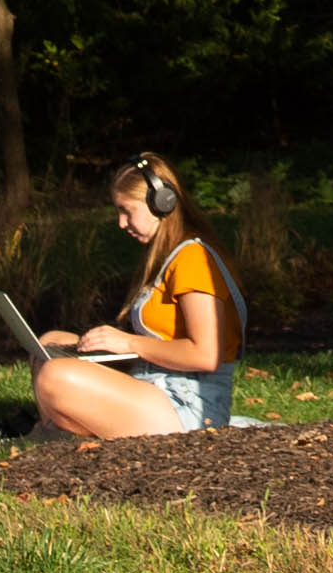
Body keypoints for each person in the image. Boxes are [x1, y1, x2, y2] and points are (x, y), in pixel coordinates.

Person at [34, 152, 248, 439]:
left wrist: (128, 343)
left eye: (127, 211)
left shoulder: (193, 259)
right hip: (155, 382)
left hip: (189, 408)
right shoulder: (168, 256)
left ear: (162, 203)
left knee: (55, 377)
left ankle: (57, 431)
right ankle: (56, 428)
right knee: (49, 344)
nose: (121, 223)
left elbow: (206, 355)